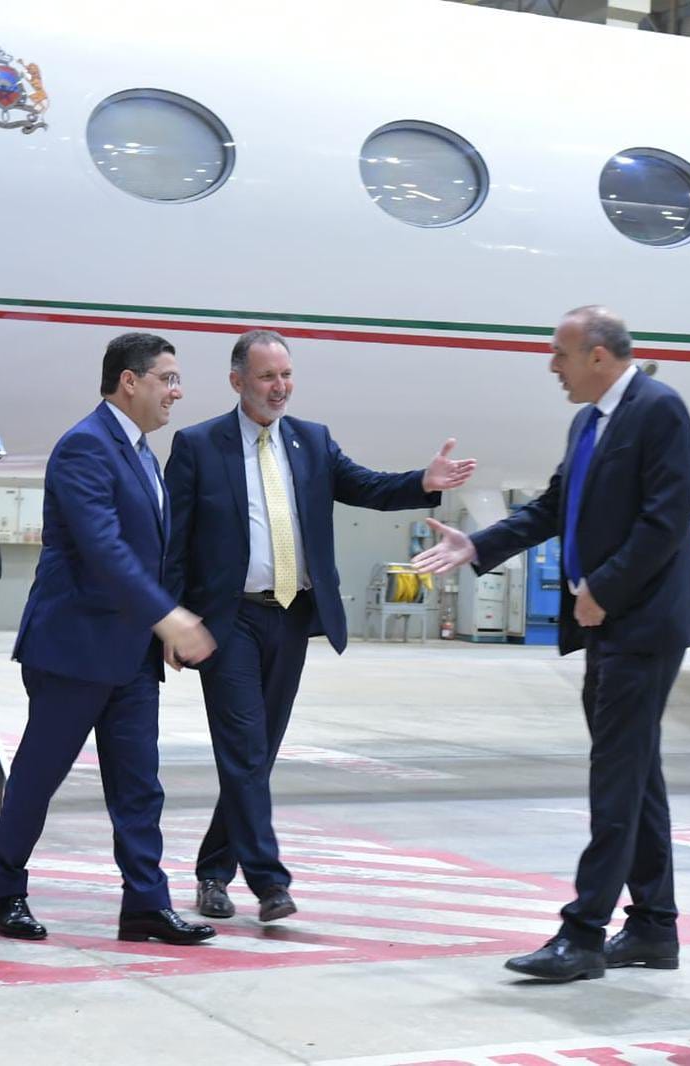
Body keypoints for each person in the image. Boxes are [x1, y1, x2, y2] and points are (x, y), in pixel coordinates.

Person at [413, 305, 690, 982]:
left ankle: (582, 933)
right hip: (606, 622)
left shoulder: (659, 410)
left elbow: (665, 517)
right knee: (635, 774)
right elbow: (553, 507)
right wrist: (477, 544)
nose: (552, 367)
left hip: (642, 622)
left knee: (615, 778)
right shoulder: (589, 422)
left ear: (599, 356)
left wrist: (604, 585)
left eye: (561, 354)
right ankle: (655, 926)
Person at [164, 329, 474, 923]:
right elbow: (174, 543)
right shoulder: (198, 446)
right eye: (266, 377)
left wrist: (423, 483)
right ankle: (270, 883)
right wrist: (172, 621)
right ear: (237, 382)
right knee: (245, 750)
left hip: (292, 616)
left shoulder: (312, 442)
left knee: (256, 755)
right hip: (227, 620)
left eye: (285, 375)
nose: (279, 387)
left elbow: (367, 486)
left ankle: (212, 872)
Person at [0, 332, 217, 944]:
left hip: (132, 652)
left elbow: (150, 550)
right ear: (129, 381)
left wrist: (158, 622)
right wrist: (167, 616)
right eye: (167, 378)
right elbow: (103, 548)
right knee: (41, 773)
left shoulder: (141, 453)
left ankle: (144, 902)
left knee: (140, 783)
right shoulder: (86, 446)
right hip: (74, 647)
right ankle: (4, 889)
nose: (177, 391)